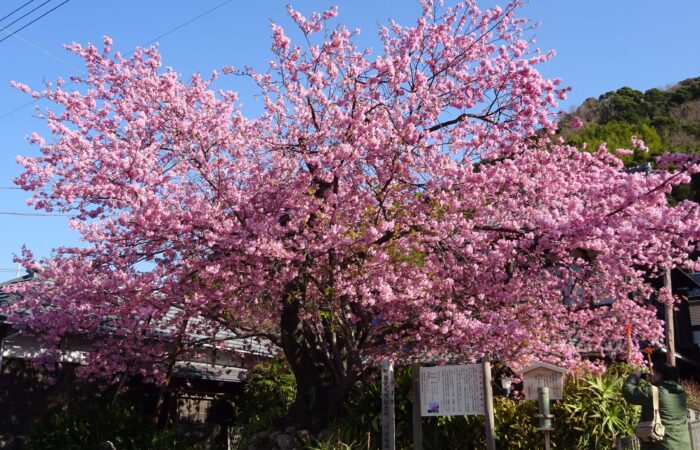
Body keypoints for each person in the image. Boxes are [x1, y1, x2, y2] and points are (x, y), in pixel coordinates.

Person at [622, 361, 691, 449]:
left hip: (663, 446)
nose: (652, 375)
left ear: (659, 375)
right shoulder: (681, 394)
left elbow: (628, 392)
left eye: (654, 373)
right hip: (683, 445)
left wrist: (634, 376)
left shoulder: (654, 392)